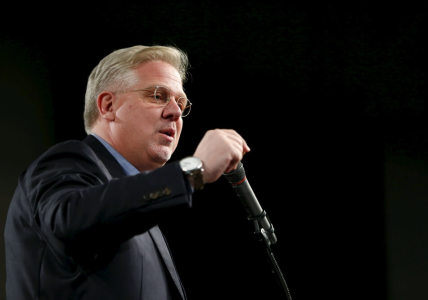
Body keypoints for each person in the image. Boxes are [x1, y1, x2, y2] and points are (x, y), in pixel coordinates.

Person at [4, 45, 250, 300]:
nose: (176, 113)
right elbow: (68, 219)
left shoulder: (135, 203)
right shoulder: (68, 161)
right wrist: (193, 171)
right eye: (157, 95)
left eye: (181, 103)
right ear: (108, 106)